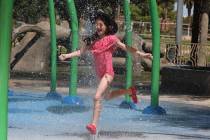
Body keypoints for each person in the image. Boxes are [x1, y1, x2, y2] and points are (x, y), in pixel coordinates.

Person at [59, 11, 152, 135]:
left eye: (101, 24)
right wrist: (66, 55)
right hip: (99, 74)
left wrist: (142, 54)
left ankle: (93, 125)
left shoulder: (111, 39)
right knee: (107, 97)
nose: (98, 27)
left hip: (108, 73)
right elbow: (80, 52)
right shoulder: (93, 41)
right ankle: (129, 91)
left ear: (107, 26)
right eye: (96, 24)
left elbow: (126, 48)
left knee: (97, 97)